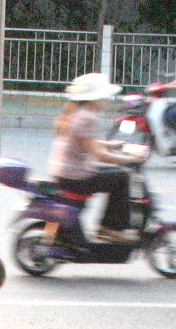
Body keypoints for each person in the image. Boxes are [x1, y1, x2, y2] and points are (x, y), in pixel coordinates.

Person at [47, 72, 146, 239]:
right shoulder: (87, 117)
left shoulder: (75, 112)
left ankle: (107, 226)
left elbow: (83, 143)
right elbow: (100, 155)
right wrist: (132, 159)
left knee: (115, 173)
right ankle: (109, 226)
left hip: (64, 172)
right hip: (75, 176)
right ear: (94, 98)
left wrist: (111, 145)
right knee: (122, 177)